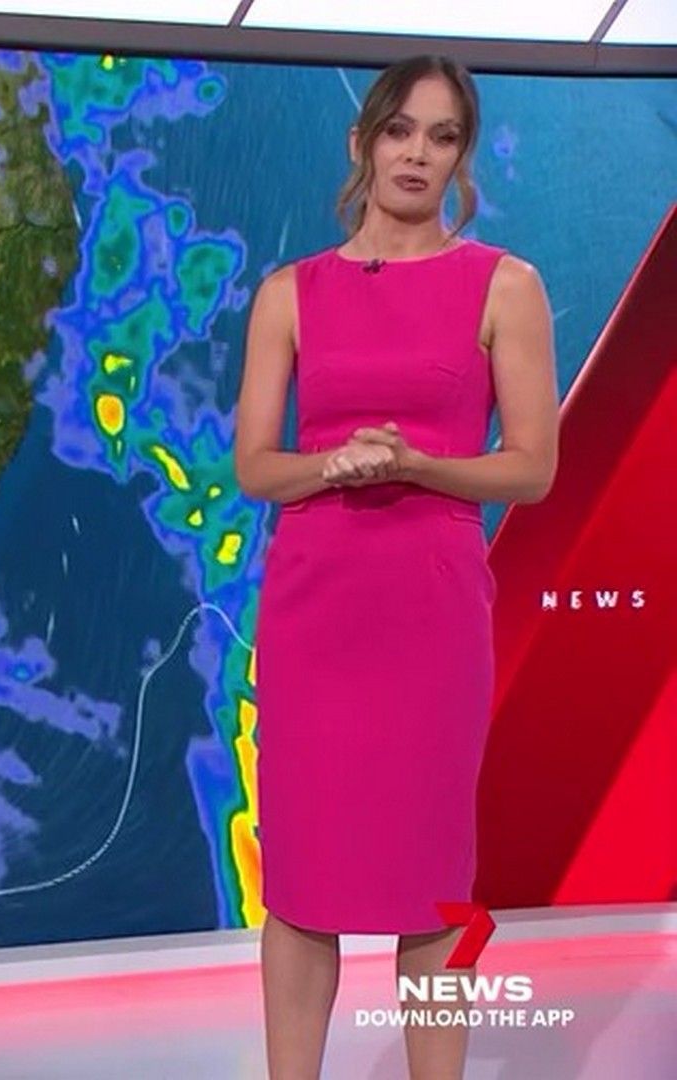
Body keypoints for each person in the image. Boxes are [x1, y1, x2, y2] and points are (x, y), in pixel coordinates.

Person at [231, 55, 560, 1080]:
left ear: (461, 157)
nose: (418, 153)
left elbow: (533, 468)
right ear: (362, 142)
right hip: (315, 613)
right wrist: (330, 465)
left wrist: (419, 464)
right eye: (400, 130)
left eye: (443, 136)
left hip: (432, 614)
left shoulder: (505, 285)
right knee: (301, 886)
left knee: (430, 877)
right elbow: (255, 466)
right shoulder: (290, 294)